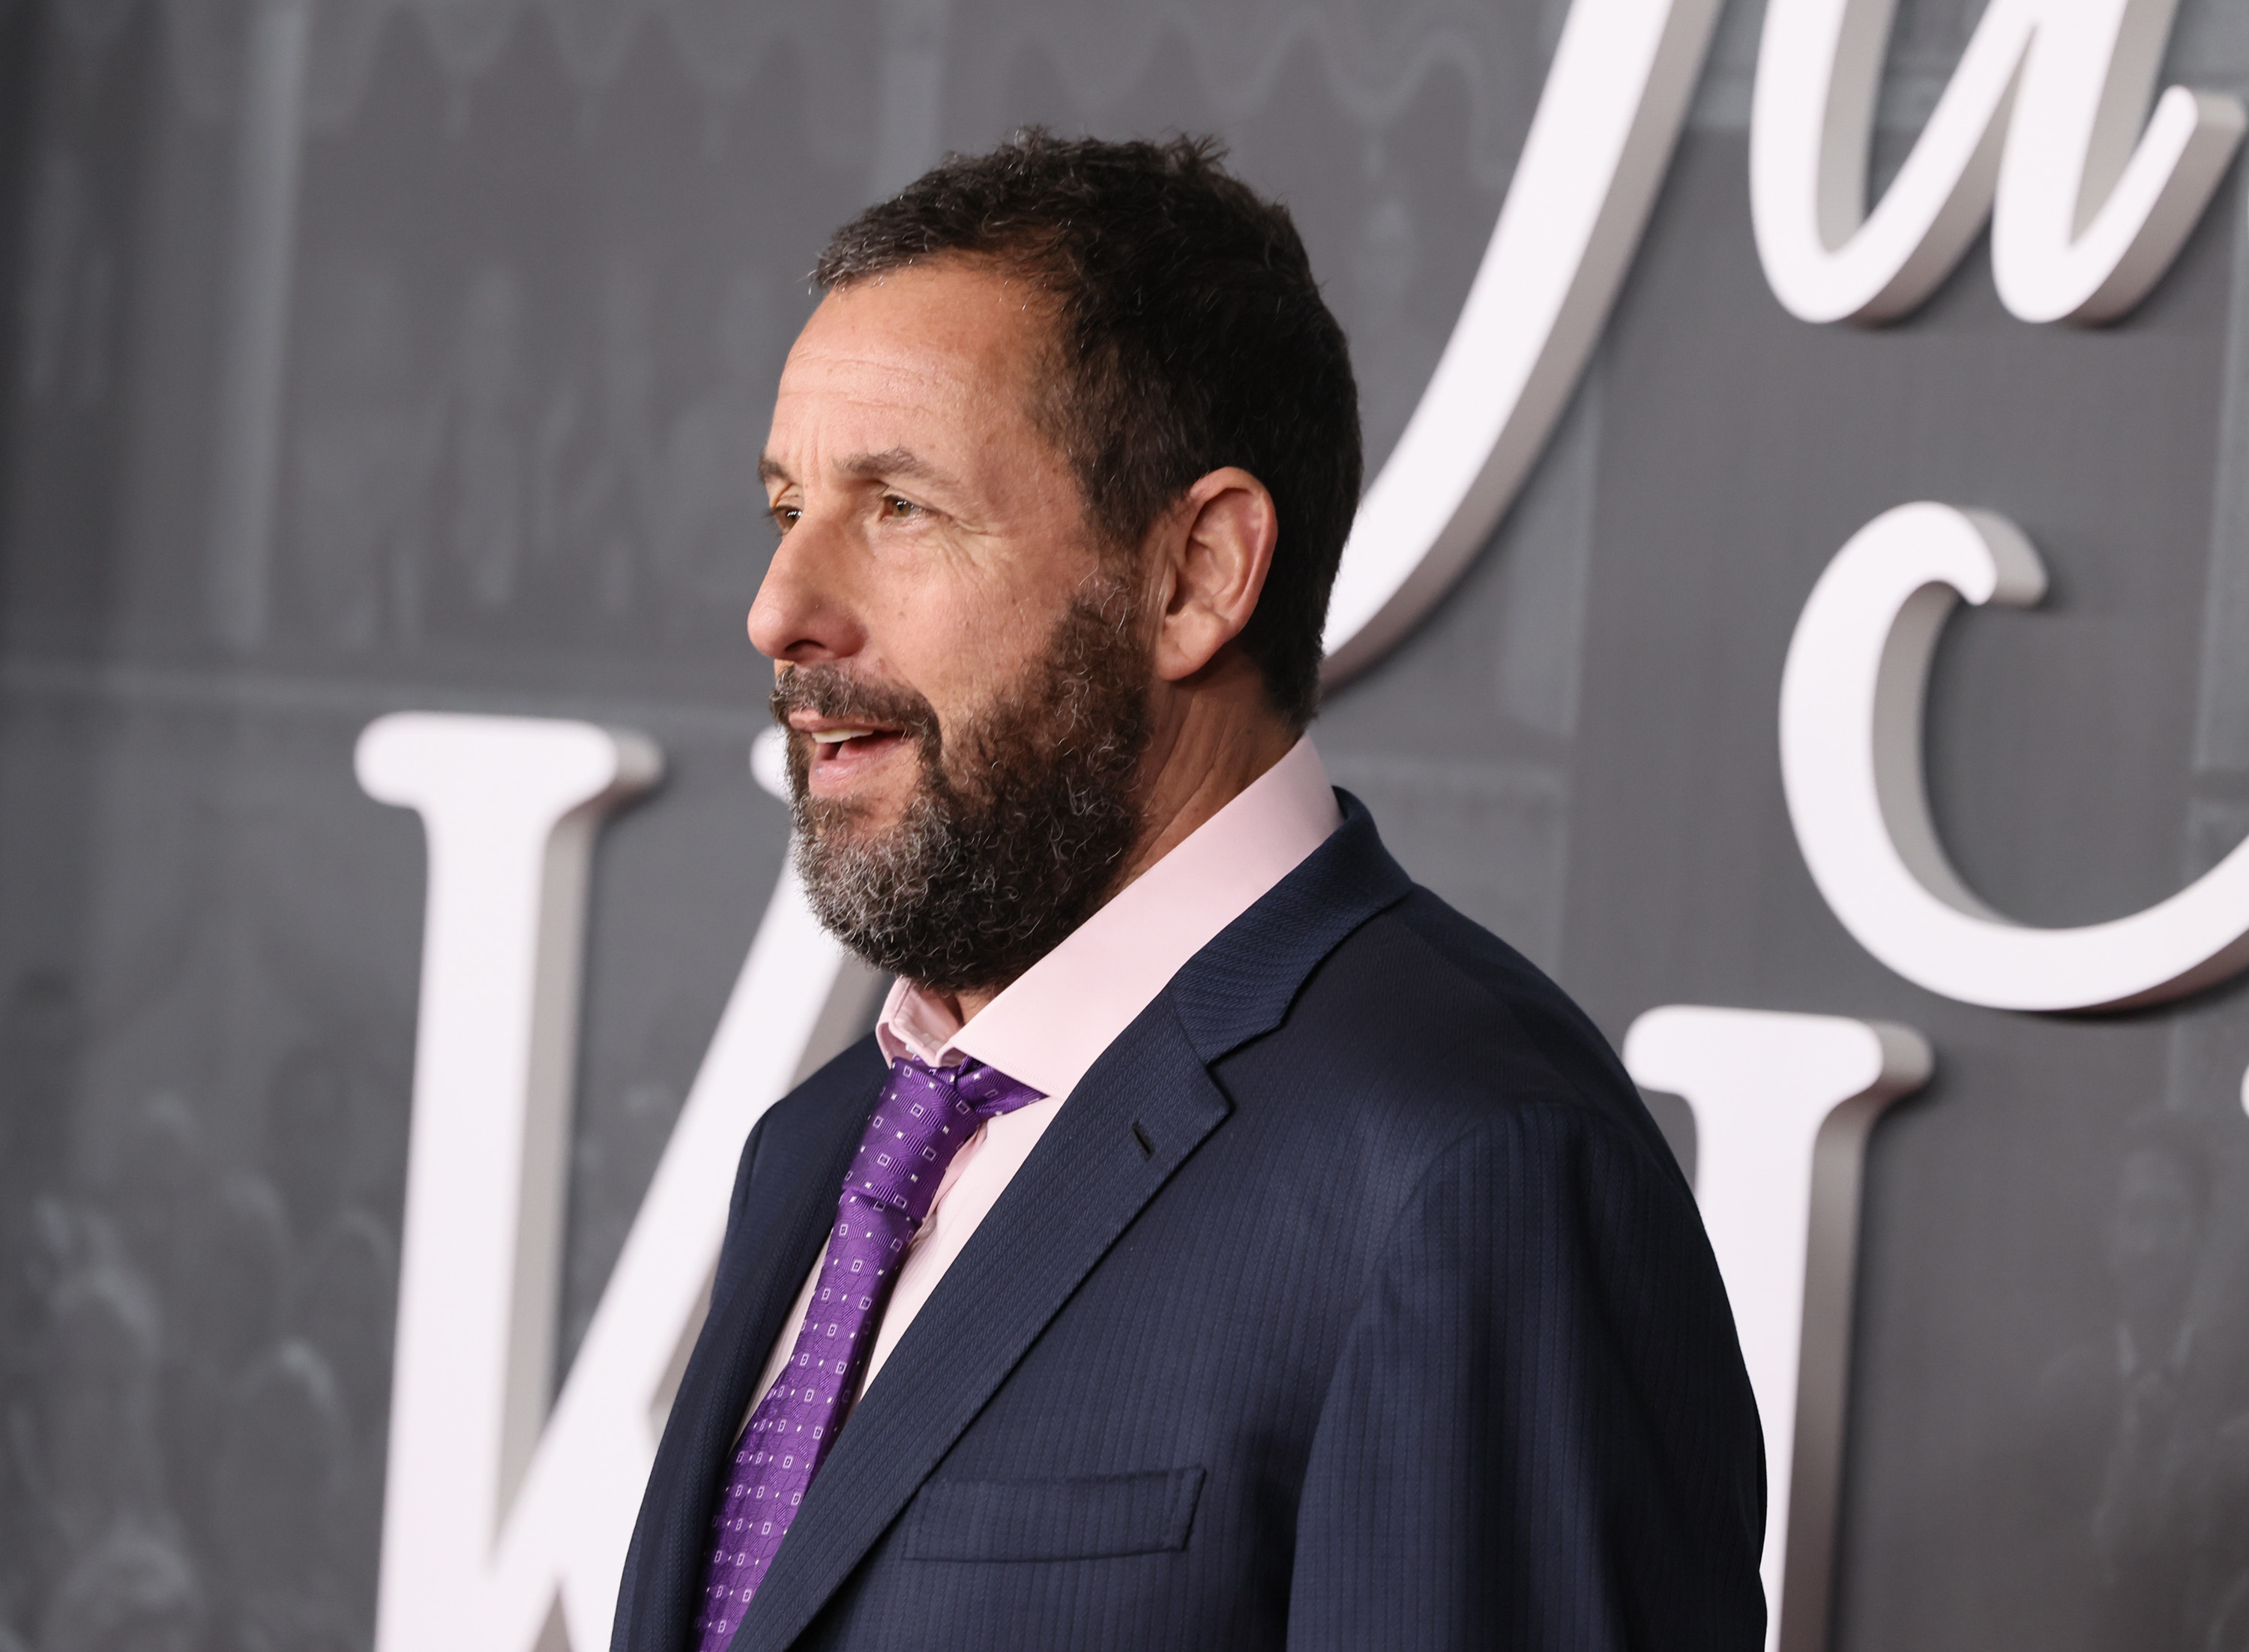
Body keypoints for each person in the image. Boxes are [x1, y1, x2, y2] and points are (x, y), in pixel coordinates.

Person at [612, 130, 1762, 1652]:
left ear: (1197, 575)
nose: (782, 609)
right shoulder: (823, 1146)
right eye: (788, 510)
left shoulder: (1471, 1172)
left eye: (899, 507)